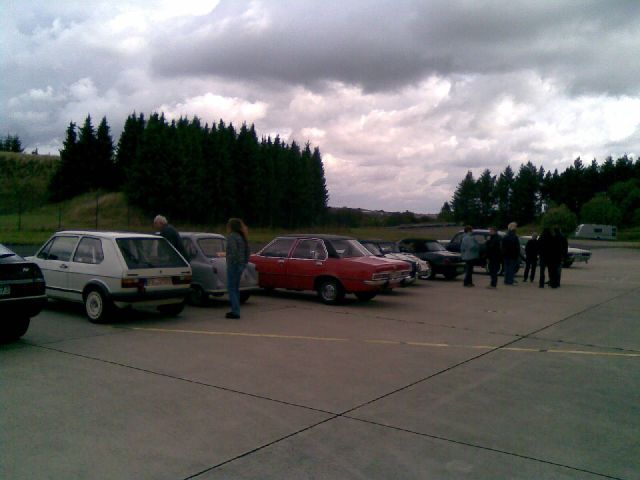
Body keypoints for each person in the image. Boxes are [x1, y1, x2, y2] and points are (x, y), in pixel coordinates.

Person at [225, 218, 250, 319]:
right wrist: (244, 264)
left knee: (231, 288)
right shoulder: (242, 237)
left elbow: (233, 251)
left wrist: (232, 262)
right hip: (240, 265)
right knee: (235, 288)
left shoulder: (232, 237)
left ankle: (235, 311)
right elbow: (247, 251)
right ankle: (236, 309)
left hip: (233, 265)